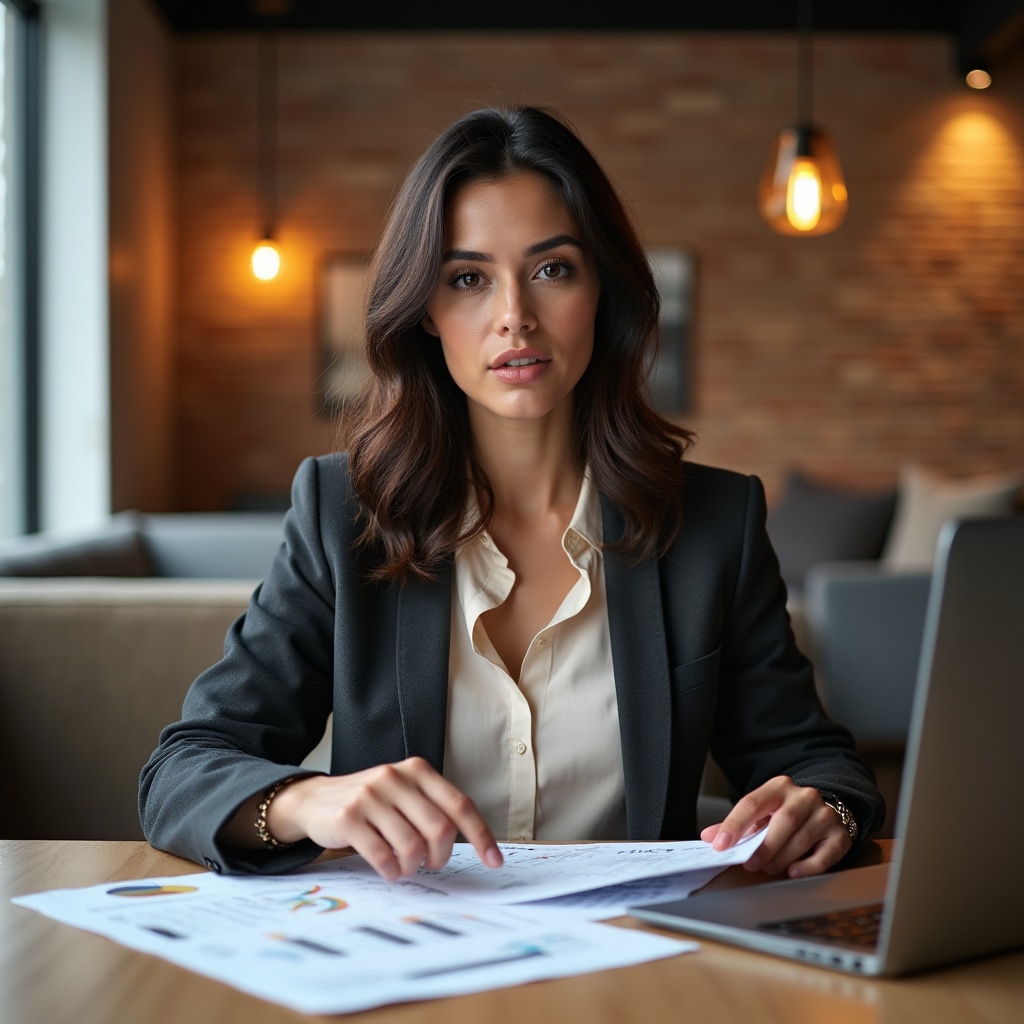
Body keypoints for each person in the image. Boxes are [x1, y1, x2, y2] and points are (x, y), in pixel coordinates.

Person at [139, 104, 884, 881]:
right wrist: (308, 801)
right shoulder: (343, 512)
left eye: (552, 269)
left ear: (603, 290)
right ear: (425, 311)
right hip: (408, 965)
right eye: (468, 279)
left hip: (635, 959)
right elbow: (182, 771)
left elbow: (820, 763)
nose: (515, 318)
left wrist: (822, 809)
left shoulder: (713, 524)